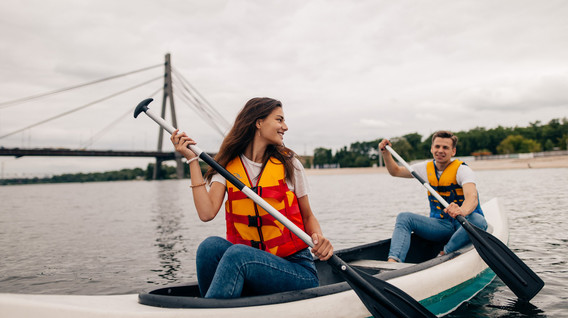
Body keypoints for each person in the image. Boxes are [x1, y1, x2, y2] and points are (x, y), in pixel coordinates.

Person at [170, 97, 333, 298]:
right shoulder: (228, 167)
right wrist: (192, 160)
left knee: (238, 256)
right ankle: (214, 307)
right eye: (279, 120)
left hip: (296, 270)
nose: (285, 127)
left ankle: (211, 311)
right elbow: (206, 213)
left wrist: (319, 238)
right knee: (209, 248)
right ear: (259, 122)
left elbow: (308, 216)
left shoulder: (290, 164)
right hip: (251, 265)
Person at [378, 130, 487, 263]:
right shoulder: (424, 168)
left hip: (463, 225)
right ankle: (393, 263)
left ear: (453, 151)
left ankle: (444, 254)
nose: (440, 150)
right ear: (431, 149)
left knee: (479, 221)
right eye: (437, 146)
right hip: (442, 226)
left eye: (445, 147)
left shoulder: (463, 170)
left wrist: (461, 211)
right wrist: (386, 153)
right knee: (404, 217)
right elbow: (395, 171)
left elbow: (472, 197)